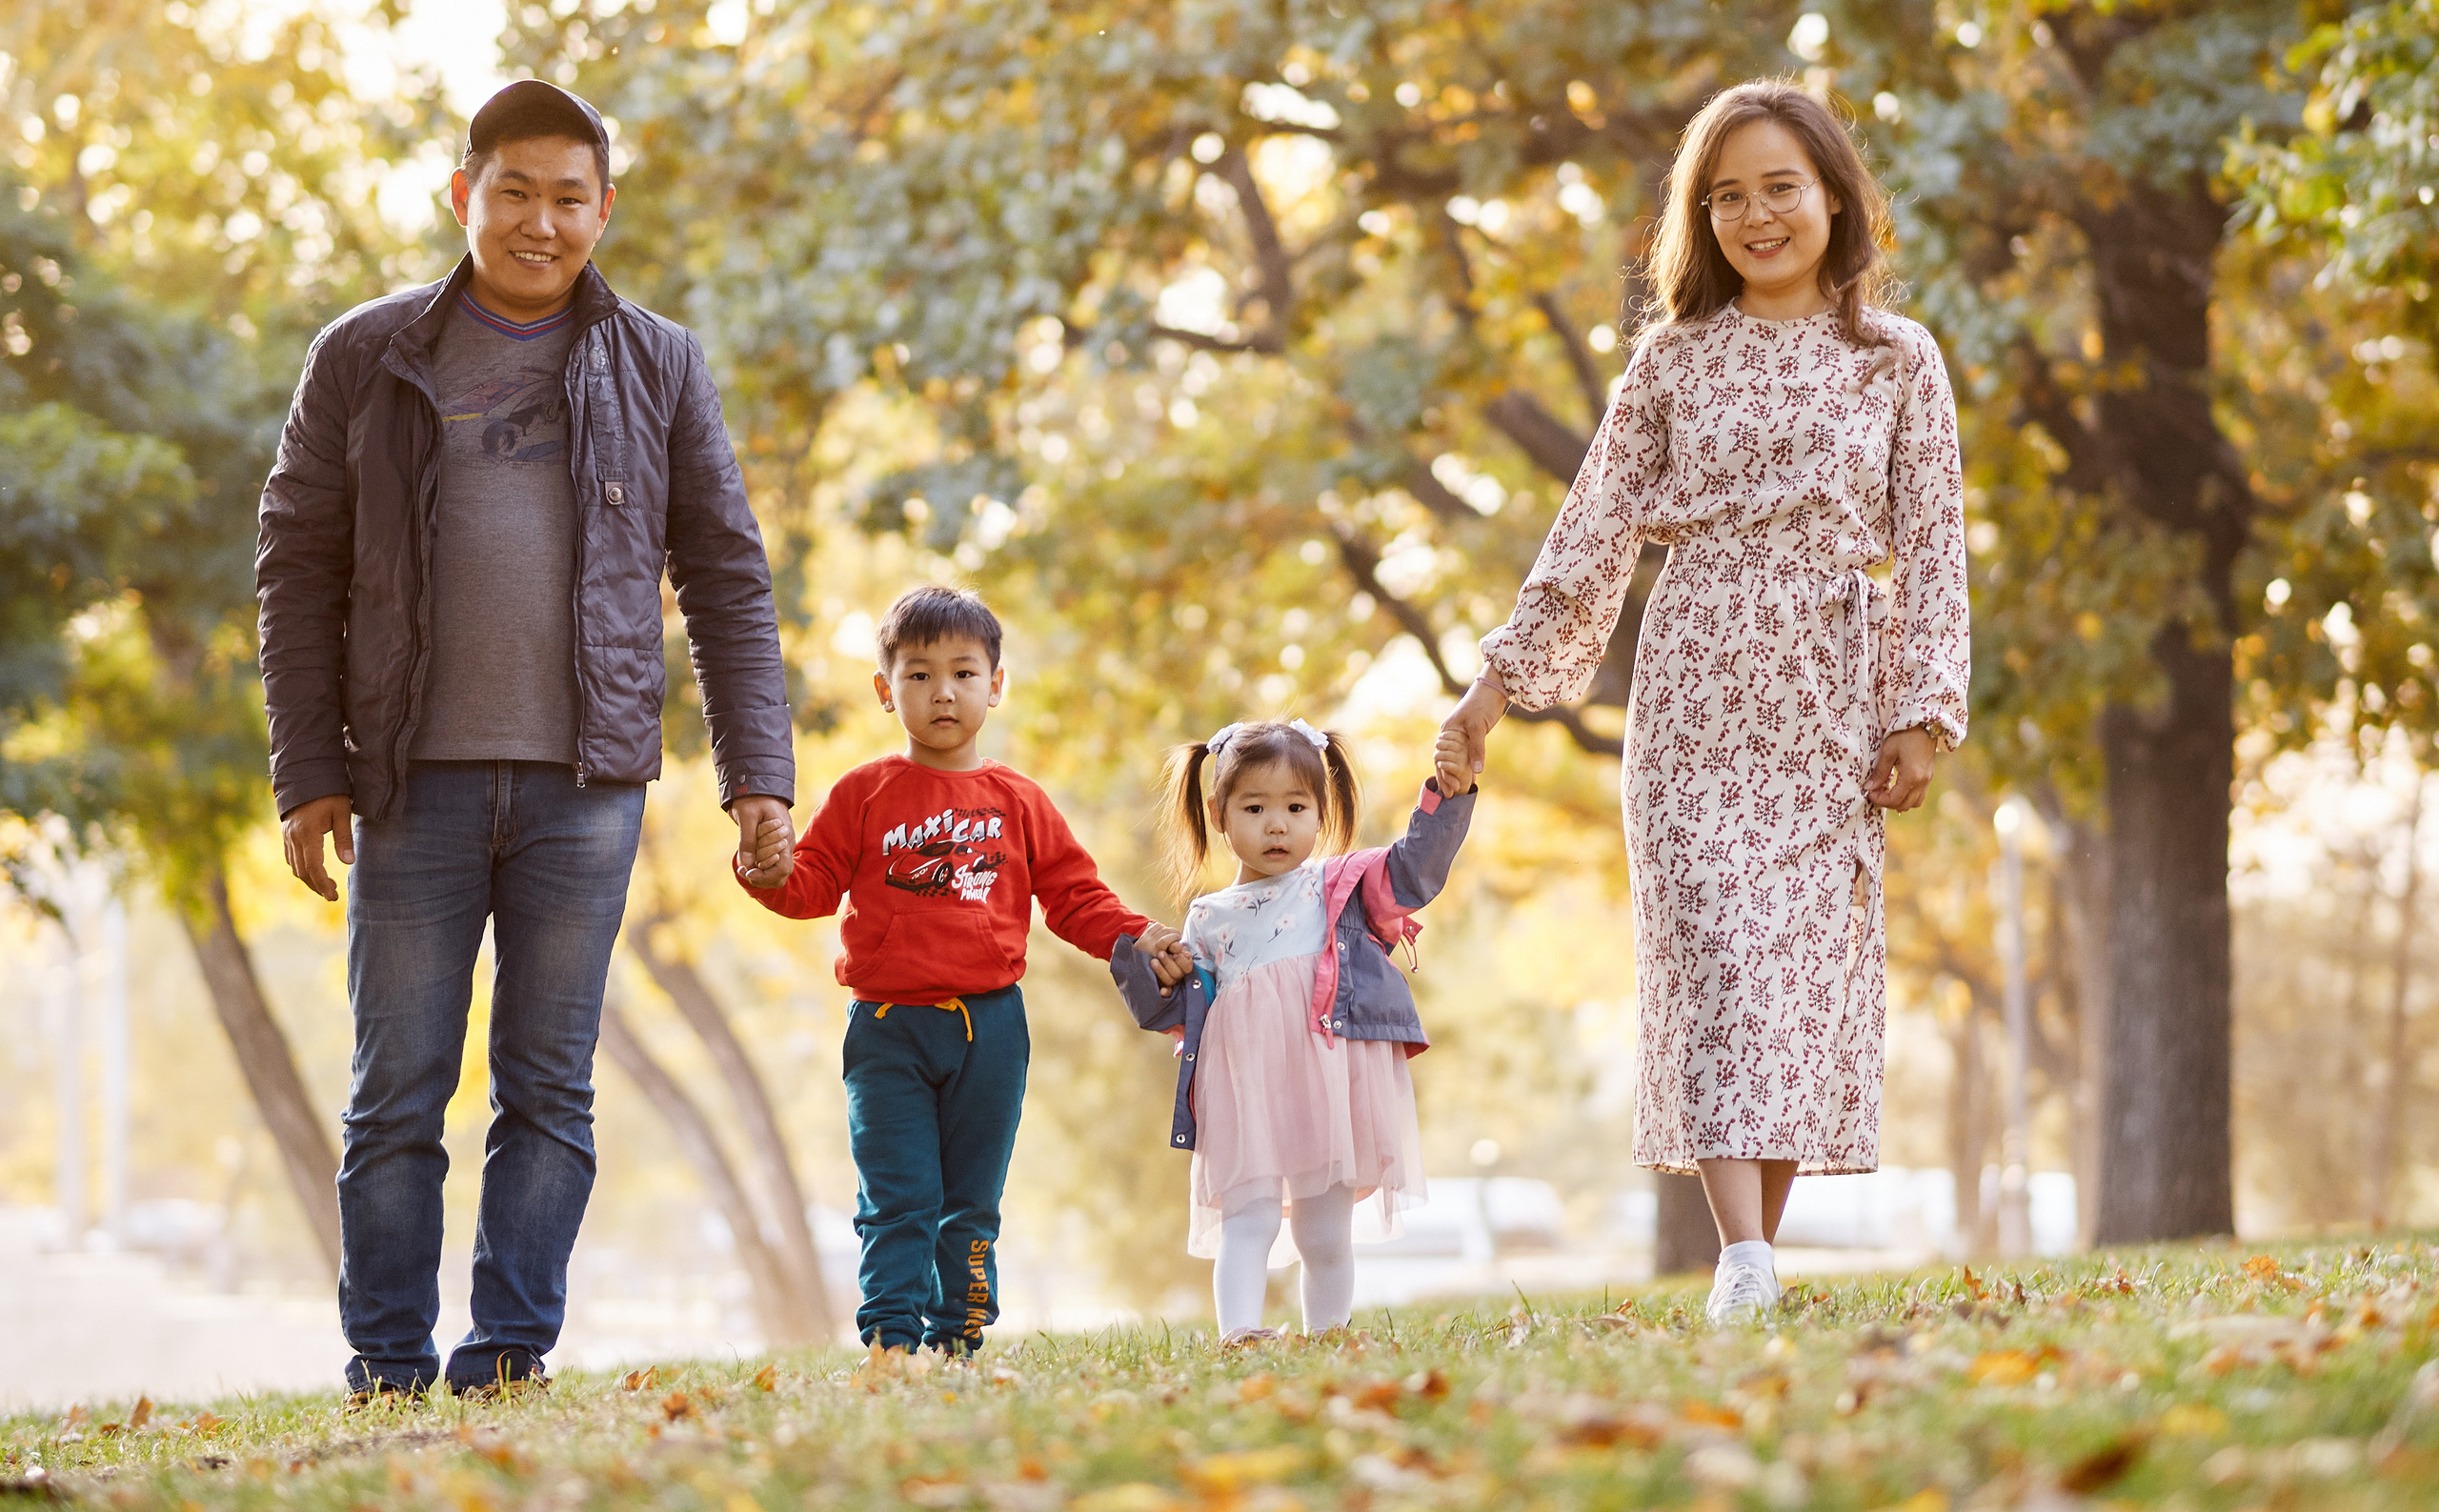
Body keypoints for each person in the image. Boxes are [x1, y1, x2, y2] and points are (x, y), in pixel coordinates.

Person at [257, 79, 800, 1401]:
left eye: (571, 198)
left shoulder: (661, 363)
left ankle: (506, 1352)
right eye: (516, 191)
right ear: (465, 195)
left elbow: (727, 573)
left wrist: (759, 780)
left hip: (587, 786)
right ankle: (386, 1360)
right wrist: (311, 770)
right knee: (398, 1092)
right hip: (409, 783)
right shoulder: (364, 354)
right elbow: (295, 564)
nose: (542, 221)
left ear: (603, 211)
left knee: (550, 1088)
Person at [1436, 78, 1970, 1325]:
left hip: (1826, 695)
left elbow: (1937, 545)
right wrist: (1492, 687)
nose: (1755, 216)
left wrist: (1923, 716)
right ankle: (1743, 1256)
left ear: (1834, 197)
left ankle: (1754, 1258)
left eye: (1780, 187)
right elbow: (1590, 535)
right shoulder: (1674, 359)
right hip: (1690, 690)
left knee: (1791, 979)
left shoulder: (1899, 361)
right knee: (1715, 965)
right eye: (1726, 197)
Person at [736, 585, 1190, 1357]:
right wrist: (763, 867)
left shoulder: (1018, 800)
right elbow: (807, 888)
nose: (942, 691)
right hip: (887, 1032)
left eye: (963, 672)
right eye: (917, 674)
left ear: (995, 684)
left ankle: (960, 1336)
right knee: (899, 1194)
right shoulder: (864, 792)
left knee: (971, 1200)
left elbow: (1075, 899)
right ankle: (890, 1339)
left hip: (992, 1029)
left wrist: (1139, 935)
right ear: (886, 691)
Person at [1111, 719, 1477, 1344]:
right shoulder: (1207, 918)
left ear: (1320, 811)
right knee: (1247, 1219)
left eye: (1295, 807)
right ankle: (1241, 1333)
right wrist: (1144, 966)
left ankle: (1329, 1333)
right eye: (1255, 807)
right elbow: (1172, 1014)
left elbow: (1416, 870)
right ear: (1219, 814)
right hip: (1246, 1093)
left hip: (1329, 1088)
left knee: (1323, 1231)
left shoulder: (1342, 889)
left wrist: (1450, 795)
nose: (1277, 824)